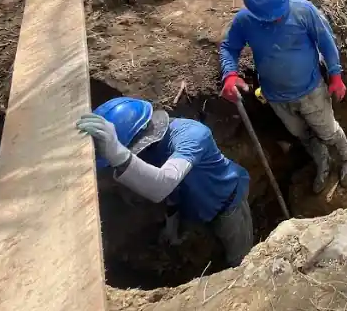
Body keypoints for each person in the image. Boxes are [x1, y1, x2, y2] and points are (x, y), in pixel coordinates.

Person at [219, 0, 347, 193]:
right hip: (276, 97)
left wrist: (336, 76)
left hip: (311, 91)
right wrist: (230, 74)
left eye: (281, 13)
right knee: (302, 134)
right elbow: (229, 47)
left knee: (329, 131)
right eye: (273, 17)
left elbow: (327, 42)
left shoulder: (303, 10)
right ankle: (323, 162)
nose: (280, 18)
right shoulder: (245, 21)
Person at [77, 97, 253, 266]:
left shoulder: (193, 136)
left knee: (240, 258)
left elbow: (163, 185)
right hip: (196, 203)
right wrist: (172, 225)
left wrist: (118, 154)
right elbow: (172, 191)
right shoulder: (151, 150)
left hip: (228, 203)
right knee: (210, 242)